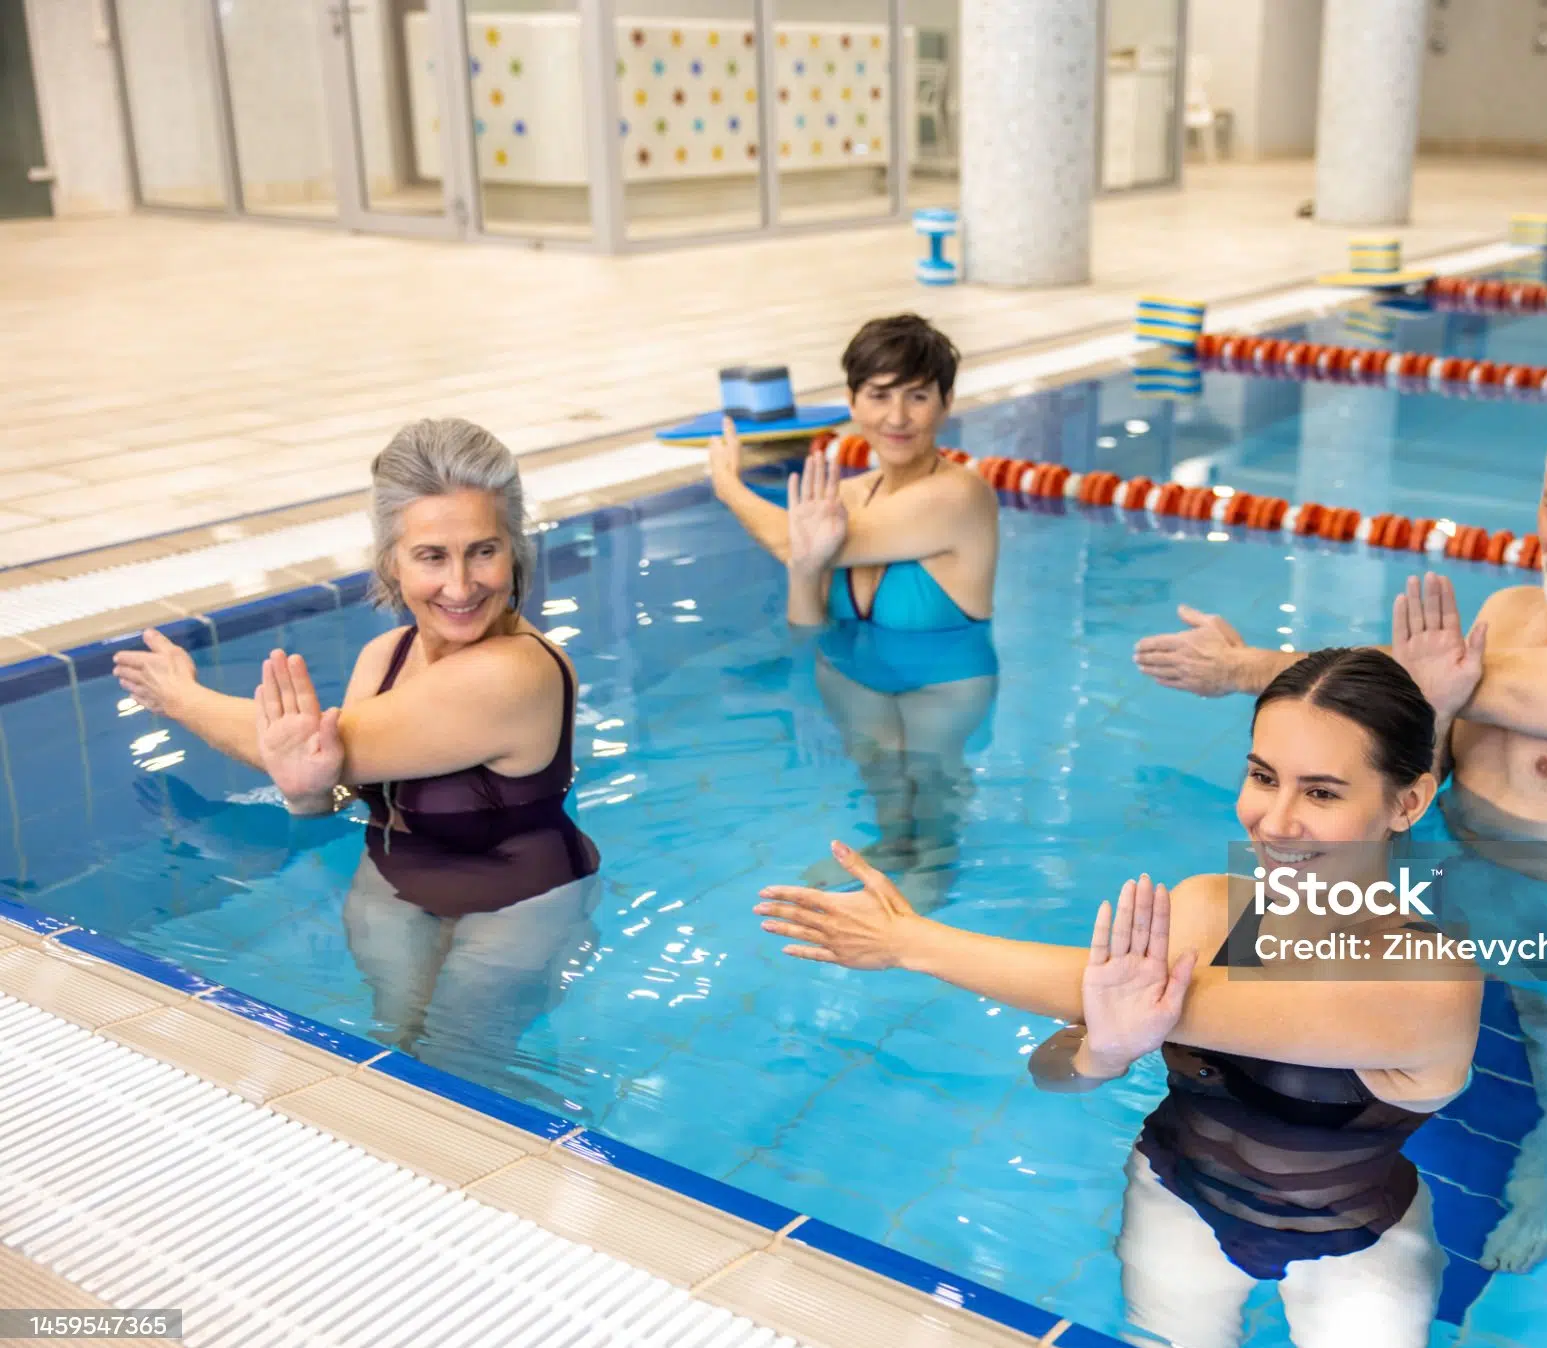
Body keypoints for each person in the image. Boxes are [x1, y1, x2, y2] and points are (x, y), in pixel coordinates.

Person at [1132, 393, 1547, 1273]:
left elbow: (1429, 689)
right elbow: (1423, 728)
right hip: (1441, 853)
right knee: (1277, 947)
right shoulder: (1517, 612)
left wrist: (1245, 667)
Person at [756, 649, 1482, 1348]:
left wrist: (910, 943)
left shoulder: (1431, 981)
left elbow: (1150, 1000)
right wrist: (1098, 1053)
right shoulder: (1204, 909)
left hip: (1356, 1236)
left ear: (1408, 802)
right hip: (1177, 1198)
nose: (1276, 821)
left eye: (1322, 793)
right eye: (1263, 777)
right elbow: (1056, 1072)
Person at [111, 418, 600, 1101]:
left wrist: (182, 697)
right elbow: (322, 783)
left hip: (518, 900)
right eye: (432, 556)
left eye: (482, 551)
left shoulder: (516, 675)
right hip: (397, 886)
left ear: (514, 552)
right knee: (395, 1061)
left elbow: (313, 746)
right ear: (391, 561)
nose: (460, 586)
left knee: (464, 1068)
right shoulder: (386, 657)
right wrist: (307, 792)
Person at [711, 315, 999, 910]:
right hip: (850, 676)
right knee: (886, 792)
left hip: (940, 687)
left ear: (945, 403)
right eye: (879, 395)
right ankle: (893, 849)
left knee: (932, 791)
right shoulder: (843, 496)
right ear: (852, 401)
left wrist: (731, 489)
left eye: (918, 396)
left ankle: (934, 882)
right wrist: (805, 565)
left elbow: (796, 542)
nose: (897, 418)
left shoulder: (960, 495)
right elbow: (806, 619)